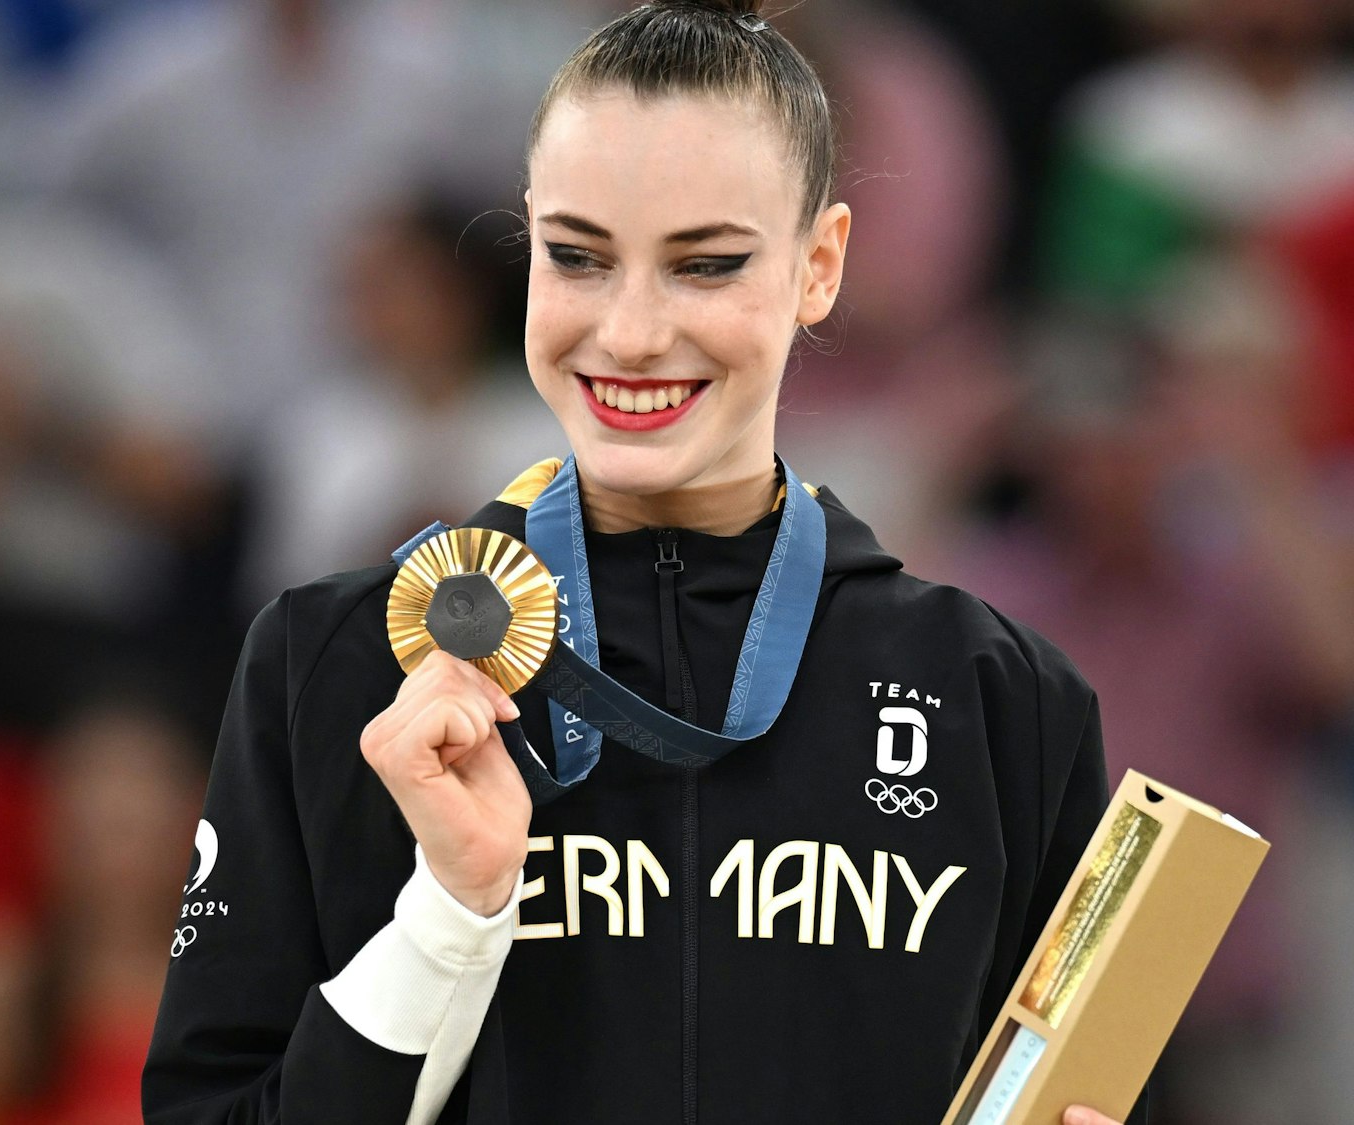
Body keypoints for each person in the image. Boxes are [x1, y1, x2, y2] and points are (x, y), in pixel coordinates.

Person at [144, 3, 1146, 1123]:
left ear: (819, 266)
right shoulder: (333, 662)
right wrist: (448, 916)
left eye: (703, 265)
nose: (627, 333)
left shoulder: (997, 696)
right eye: (576, 257)